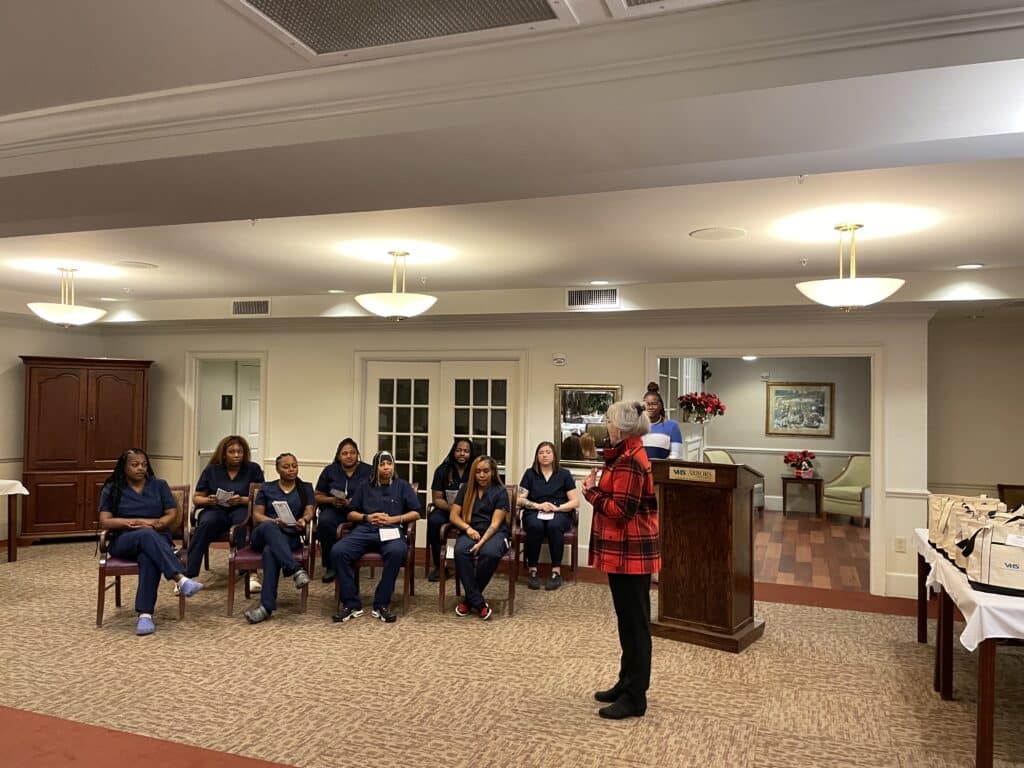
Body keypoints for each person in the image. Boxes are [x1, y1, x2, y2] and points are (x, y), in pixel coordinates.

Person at [582, 400, 660, 720]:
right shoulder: (625, 454)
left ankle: (635, 697)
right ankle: (626, 682)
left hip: (631, 550)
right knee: (627, 621)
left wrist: (590, 492)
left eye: (610, 421)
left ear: (622, 427)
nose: (607, 426)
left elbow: (620, 510)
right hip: (626, 550)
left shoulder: (630, 460)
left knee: (635, 626)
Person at [98, 449, 204, 635]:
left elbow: (171, 513)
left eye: (144, 464)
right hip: (124, 540)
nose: (140, 468)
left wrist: (156, 524)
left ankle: (145, 615)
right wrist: (129, 523)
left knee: (148, 557)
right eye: (135, 464)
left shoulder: (159, 485)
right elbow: (105, 520)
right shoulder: (112, 488)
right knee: (145, 535)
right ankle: (179, 578)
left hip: (156, 536)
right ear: (124, 467)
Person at [330, 451, 420, 624]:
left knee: (397, 551)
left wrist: (394, 519)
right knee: (338, 551)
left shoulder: (402, 486)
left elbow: (416, 513)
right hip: (365, 529)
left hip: (391, 530)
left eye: (389, 464)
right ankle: (351, 604)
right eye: (382, 464)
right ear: (375, 467)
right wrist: (367, 517)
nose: (386, 468)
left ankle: (381, 604)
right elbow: (351, 514)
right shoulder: (365, 486)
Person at [184, 435, 265, 588]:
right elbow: (197, 498)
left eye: (239, 452)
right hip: (215, 509)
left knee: (242, 523)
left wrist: (242, 499)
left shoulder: (253, 469)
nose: (236, 455)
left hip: (241, 508)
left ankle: (250, 573)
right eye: (232, 452)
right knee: (206, 523)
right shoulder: (211, 470)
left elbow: (261, 497)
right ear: (223, 453)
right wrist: (209, 500)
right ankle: (188, 574)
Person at [243, 453, 313, 624]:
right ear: (277, 469)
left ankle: (265, 608)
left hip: (289, 536)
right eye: (286, 466)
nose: (291, 469)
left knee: (270, 552)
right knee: (269, 526)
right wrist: (273, 521)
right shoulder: (267, 488)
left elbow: (309, 511)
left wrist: (303, 520)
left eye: (294, 466)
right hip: (262, 534)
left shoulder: (305, 488)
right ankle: (295, 569)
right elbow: (257, 515)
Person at [450, 455, 510, 621]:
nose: (481, 475)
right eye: (478, 472)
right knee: (461, 551)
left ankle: (469, 600)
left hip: (495, 533)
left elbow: (495, 524)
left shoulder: (500, 491)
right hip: (471, 530)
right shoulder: (465, 489)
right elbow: (454, 516)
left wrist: (481, 543)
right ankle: (479, 603)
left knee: (489, 553)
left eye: (485, 471)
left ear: (492, 472)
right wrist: (468, 529)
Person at [518, 441, 579, 591]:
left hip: (558, 512)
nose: (544, 455)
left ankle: (556, 572)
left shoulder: (564, 474)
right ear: (537, 456)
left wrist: (557, 508)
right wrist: (538, 506)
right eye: (541, 452)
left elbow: (575, 501)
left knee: (554, 525)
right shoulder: (530, 473)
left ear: (554, 455)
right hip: (535, 511)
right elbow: (519, 499)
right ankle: (532, 570)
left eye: (548, 452)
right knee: (535, 525)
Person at [314, 438, 373, 584]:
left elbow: (376, 493)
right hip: (336, 510)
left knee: (366, 526)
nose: (349, 456)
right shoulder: (330, 470)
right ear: (339, 455)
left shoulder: (369, 470)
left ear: (358, 454)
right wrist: (332, 500)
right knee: (325, 522)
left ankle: (351, 563)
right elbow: (317, 496)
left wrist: (357, 501)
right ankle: (331, 566)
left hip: (360, 511)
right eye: (345, 453)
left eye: (352, 453)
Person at [426, 437, 476, 582]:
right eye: (459, 450)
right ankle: (440, 566)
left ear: (471, 453)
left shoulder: (476, 471)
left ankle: (470, 565)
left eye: (466, 451)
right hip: (446, 510)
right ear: (453, 452)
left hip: (471, 511)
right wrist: (453, 509)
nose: (462, 454)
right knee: (434, 521)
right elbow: (437, 499)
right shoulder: (442, 470)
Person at [641, 382, 682, 460]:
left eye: (654, 404)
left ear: (660, 406)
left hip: (662, 470)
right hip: (639, 470)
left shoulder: (672, 426)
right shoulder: (636, 428)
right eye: (647, 404)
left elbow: (676, 455)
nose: (650, 407)